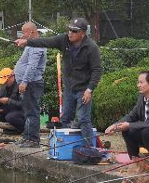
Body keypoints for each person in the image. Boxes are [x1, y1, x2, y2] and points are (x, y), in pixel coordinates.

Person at [17, 18, 102, 147]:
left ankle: (90, 148)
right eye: (69, 29)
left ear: (83, 33)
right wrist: (27, 41)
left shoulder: (91, 47)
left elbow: (97, 70)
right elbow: (46, 41)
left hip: (84, 89)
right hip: (69, 87)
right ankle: (64, 147)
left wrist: (90, 89)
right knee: (65, 118)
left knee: (83, 119)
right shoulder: (64, 40)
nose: (70, 33)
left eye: (74, 31)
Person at [11, 22, 48, 147]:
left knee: (32, 111)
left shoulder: (37, 46)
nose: (22, 35)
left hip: (32, 83)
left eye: (24, 32)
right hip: (27, 83)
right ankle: (27, 137)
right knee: (28, 111)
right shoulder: (31, 44)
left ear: (32, 32)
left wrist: (25, 81)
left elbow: (32, 66)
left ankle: (32, 140)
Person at [0, 67, 24, 133]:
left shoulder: (20, 85)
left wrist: (8, 101)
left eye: (6, 80)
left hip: (22, 111)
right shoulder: (5, 85)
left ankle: (22, 129)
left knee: (10, 117)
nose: (4, 83)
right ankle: (10, 127)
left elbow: (23, 105)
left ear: (12, 77)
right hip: (12, 109)